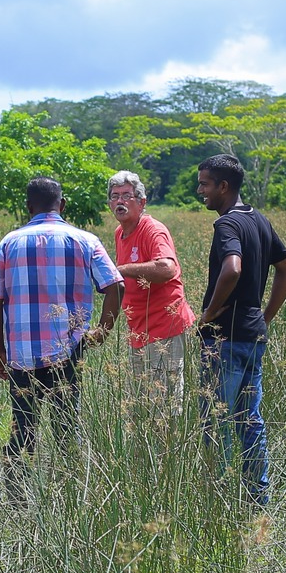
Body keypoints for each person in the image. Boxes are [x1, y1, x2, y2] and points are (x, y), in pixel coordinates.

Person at [0, 176, 124, 495]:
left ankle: (16, 500)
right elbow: (116, 286)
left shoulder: (10, 242)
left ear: (28, 207)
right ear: (62, 205)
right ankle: (69, 496)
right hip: (69, 351)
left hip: (21, 353)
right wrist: (101, 331)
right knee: (66, 428)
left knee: (23, 428)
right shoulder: (85, 240)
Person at [194, 153, 286, 507]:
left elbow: (233, 269)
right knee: (248, 420)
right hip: (253, 335)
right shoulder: (260, 220)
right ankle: (257, 498)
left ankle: (218, 499)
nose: (200, 190)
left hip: (224, 339)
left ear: (224, 186)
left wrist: (208, 314)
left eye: (205, 184)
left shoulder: (227, 225)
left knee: (216, 422)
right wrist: (264, 316)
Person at [107, 169, 194, 401]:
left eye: (127, 196)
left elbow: (167, 268)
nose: (120, 202)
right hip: (139, 330)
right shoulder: (120, 232)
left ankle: (169, 439)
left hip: (164, 328)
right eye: (114, 197)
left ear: (142, 202)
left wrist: (122, 270)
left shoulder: (152, 229)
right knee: (141, 404)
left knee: (164, 405)